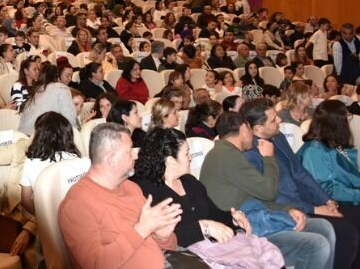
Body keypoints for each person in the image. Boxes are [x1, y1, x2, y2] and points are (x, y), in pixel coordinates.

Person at [199, 111, 336, 269]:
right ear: (243, 129)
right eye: (250, 129)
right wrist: (269, 157)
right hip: (245, 229)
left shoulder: (227, 153)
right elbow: (269, 192)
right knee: (317, 245)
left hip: (255, 215)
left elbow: (258, 196)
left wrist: (288, 209)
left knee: (324, 227)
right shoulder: (227, 156)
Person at [133, 128, 283, 268]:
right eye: (186, 154)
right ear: (171, 161)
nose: (190, 158)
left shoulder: (190, 182)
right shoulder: (146, 192)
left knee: (265, 251)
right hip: (190, 257)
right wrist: (202, 227)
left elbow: (214, 214)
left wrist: (233, 219)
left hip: (216, 247)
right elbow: (161, 238)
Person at [241, 98, 360, 268]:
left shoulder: (277, 137)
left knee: (354, 222)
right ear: (258, 128)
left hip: (306, 200)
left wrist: (326, 200)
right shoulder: (249, 154)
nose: (280, 120)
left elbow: (300, 172)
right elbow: (272, 196)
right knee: (347, 234)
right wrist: (315, 209)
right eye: (274, 119)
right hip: (286, 211)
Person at [59, 123, 182, 269]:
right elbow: (95, 264)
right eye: (129, 151)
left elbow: (166, 246)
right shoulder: (77, 204)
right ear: (111, 159)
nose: (136, 155)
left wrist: (162, 237)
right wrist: (143, 228)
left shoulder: (131, 188)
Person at [299, 100, 360, 206]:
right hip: (335, 204)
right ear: (336, 123)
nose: (349, 120)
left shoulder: (333, 143)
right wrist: (357, 195)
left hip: (349, 197)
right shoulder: (315, 150)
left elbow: (350, 177)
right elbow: (325, 189)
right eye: (347, 117)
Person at [18, 62, 76, 136]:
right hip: (40, 137)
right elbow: (70, 120)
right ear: (58, 77)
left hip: (22, 136)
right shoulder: (62, 89)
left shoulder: (35, 90)